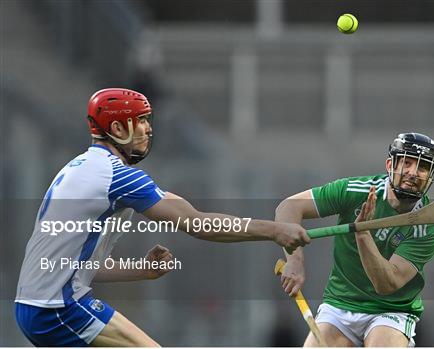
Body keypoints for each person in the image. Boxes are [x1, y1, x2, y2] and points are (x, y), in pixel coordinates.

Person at [14, 88, 310, 347]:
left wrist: (142, 270)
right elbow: (199, 224)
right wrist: (273, 230)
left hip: (35, 307)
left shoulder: (79, 168)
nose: (147, 129)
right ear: (117, 128)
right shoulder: (116, 176)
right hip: (59, 309)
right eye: (139, 121)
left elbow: (75, 265)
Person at [276, 132, 434, 347]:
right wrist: (294, 261)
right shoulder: (355, 191)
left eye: (422, 167)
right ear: (390, 165)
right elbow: (289, 207)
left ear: (431, 175)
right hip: (340, 304)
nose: (413, 173)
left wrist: (362, 234)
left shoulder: (427, 226)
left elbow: (386, 284)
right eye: (407, 163)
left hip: (391, 310)